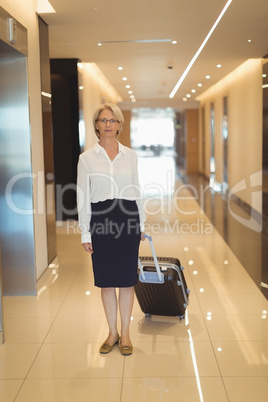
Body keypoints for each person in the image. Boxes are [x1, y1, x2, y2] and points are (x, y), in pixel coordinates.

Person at [77, 103, 145, 356]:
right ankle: (112, 333)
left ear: (119, 125)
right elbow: (83, 197)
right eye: (103, 120)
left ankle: (126, 333)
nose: (108, 124)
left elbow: (137, 190)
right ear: (96, 125)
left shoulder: (131, 155)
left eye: (112, 120)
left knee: (127, 281)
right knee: (106, 282)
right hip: (101, 219)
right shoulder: (86, 158)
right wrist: (86, 232)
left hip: (128, 219)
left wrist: (142, 224)